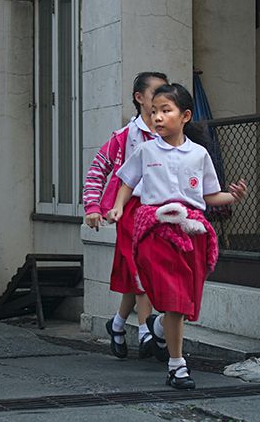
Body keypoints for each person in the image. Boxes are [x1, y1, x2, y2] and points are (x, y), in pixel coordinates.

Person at [107, 83, 247, 389]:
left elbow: (210, 195)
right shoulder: (146, 150)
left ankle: (157, 327)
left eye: (165, 111)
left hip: (192, 231)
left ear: (184, 116)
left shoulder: (199, 154)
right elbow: (127, 182)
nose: (157, 117)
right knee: (171, 297)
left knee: (182, 302)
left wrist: (232, 197)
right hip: (155, 231)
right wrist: (118, 207)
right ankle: (177, 365)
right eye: (154, 111)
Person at [83, 72, 169, 359]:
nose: (160, 99)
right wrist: (93, 207)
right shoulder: (124, 137)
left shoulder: (169, 134)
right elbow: (97, 170)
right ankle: (146, 332)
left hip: (163, 212)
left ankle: (118, 324)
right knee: (142, 268)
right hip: (131, 211)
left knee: (141, 273)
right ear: (139, 98)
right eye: (155, 92)